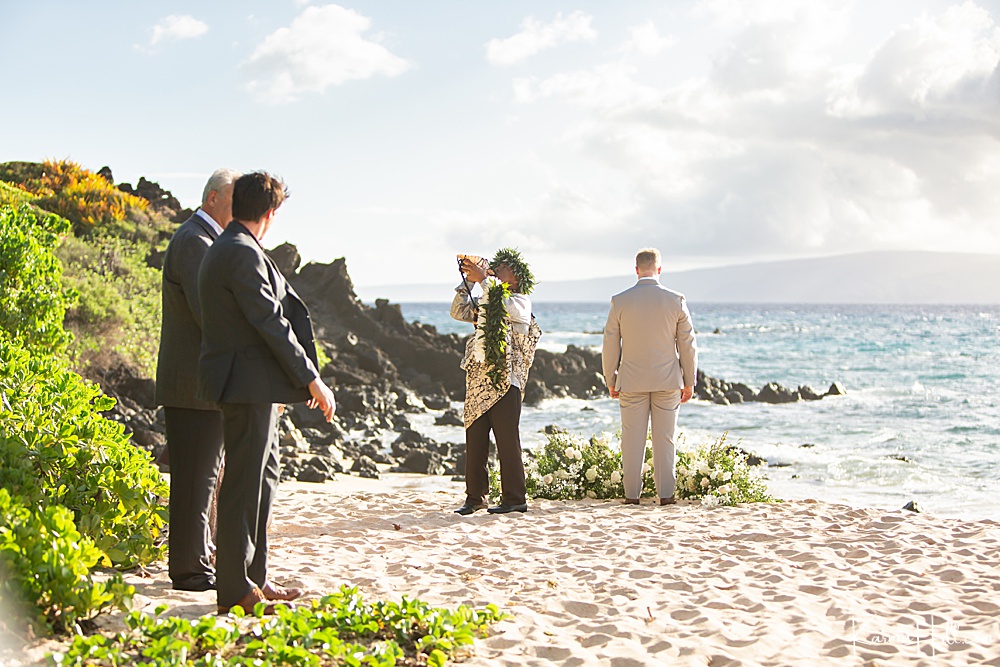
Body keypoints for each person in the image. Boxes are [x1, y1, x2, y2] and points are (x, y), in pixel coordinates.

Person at [197, 171, 336, 614]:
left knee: (263, 477)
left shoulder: (237, 246)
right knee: (242, 482)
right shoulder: (238, 251)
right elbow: (270, 322)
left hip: (255, 384)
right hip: (244, 384)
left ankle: (254, 578)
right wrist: (311, 378)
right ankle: (236, 588)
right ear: (271, 213)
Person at [155, 167, 240, 592]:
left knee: (201, 476)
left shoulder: (204, 239)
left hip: (200, 385)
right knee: (194, 480)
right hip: (192, 385)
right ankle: (189, 571)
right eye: (233, 199)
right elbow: (211, 314)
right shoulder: (194, 240)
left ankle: (197, 563)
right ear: (211, 199)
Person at [602, 248, 697, 506]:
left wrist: (610, 378)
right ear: (659, 269)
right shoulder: (676, 300)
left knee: (632, 439)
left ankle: (632, 496)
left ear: (636, 270)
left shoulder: (620, 301)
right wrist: (689, 380)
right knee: (665, 439)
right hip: (668, 381)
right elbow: (687, 344)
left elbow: (610, 343)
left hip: (631, 380)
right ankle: (666, 495)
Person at [451, 248, 541, 515]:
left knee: (506, 440)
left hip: (507, 380)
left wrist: (483, 279)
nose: (496, 269)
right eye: (495, 266)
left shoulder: (521, 301)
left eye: (501, 267)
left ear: (515, 276)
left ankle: (515, 499)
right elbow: (458, 311)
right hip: (479, 378)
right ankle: (475, 497)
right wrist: (468, 279)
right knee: (475, 437)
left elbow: (502, 304)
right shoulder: (486, 295)